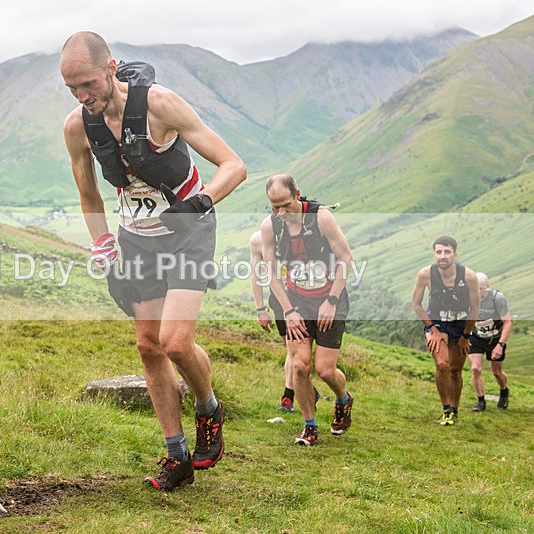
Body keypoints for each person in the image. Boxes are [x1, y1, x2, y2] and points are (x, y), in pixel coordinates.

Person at [60, 32, 246, 491]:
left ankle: (208, 409)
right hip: (137, 238)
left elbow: (233, 165)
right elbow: (88, 193)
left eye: (88, 84)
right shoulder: (78, 126)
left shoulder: (160, 105)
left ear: (110, 68)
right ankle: (176, 455)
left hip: (188, 229)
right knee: (148, 346)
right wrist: (103, 242)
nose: (84, 97)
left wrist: (202, 201)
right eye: (72, 90)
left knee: (177, 342)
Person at [259, 174, 354, 446]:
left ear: (297, 194)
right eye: (274, 207)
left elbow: (346, 258)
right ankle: (309, 426)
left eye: (285, 205)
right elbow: (272, 273)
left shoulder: (321, 217)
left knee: (325, 370)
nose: (280, 212)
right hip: (296, 301)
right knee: (300, 366)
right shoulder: (271, 227)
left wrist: (332, 301)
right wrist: (288, 311)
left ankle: (343, 399)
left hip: (329, 298)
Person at [411, 235, 480, 426]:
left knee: (456, 370)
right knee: (442, 364)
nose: (443, 256)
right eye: (439, 252)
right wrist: (432, 329)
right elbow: (416, 304)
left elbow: (474, 309)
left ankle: (455, 408)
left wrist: (466, 336)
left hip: (461, 324)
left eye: (447, 252)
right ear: (434, 254)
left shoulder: (469, 277)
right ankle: (446, 409)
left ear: (455, 254)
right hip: (437, 322)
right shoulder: (425, 274)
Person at [249, 230, 319, 414]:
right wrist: (260, 309)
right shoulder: (258, 240)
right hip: (279, 301)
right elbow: (256, 276)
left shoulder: (302, 234)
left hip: (304, 297)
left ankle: (288, 396)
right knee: (291, 349)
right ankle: (308, 391)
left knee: (296, 352)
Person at [468, 272, 512, 411]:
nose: (476, 291)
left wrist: (500, 344)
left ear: (487, 287)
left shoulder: (497, 298)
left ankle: (504, 391)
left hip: (495, 338)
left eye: (479, 288)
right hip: (476, 336)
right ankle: (481, 401)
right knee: (476, 368)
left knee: (496, 372)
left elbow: (508, 322)